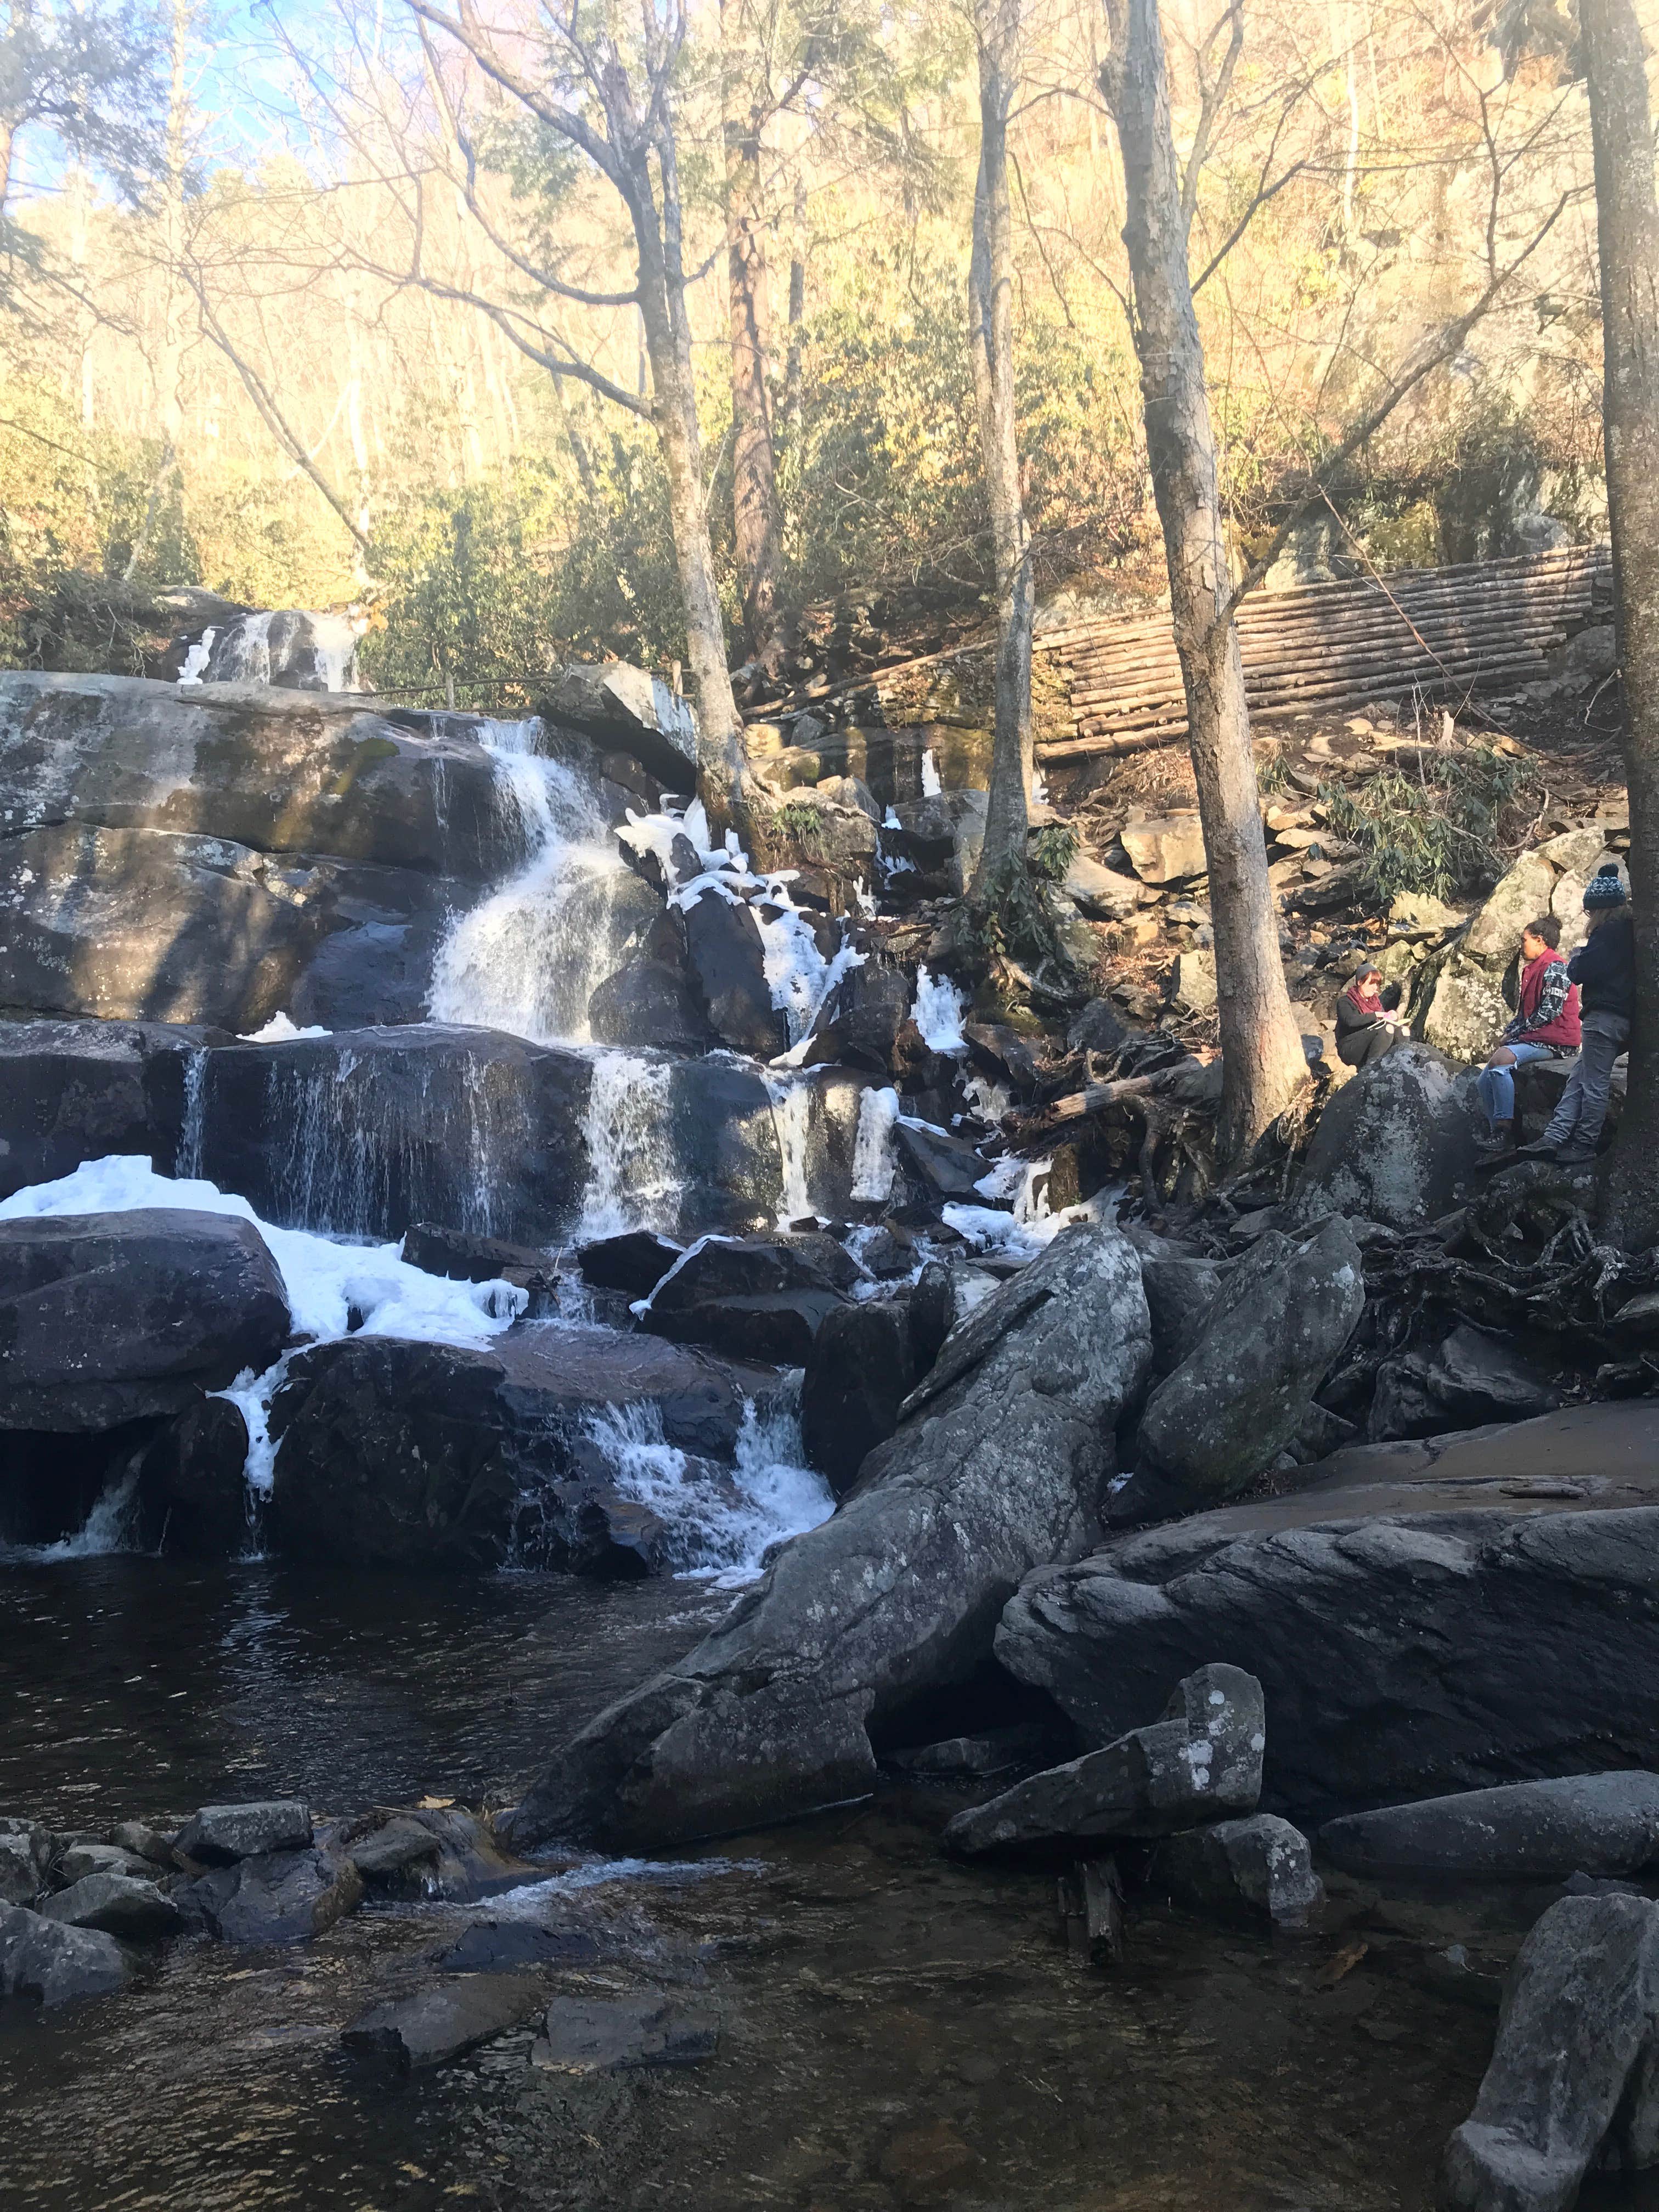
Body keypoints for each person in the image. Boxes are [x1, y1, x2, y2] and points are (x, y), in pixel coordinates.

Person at [1519, 862, 1635, 1167]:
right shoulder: (1632, 933)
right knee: (1578, 1077)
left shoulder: (1607, 933)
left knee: (1594, 1085)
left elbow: (1580, 971)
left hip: (1604, 1018)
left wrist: (1577, 956)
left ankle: (1584, 1144)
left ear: (1598, 910)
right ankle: (1554, 1137)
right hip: (1627, 1018)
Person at [1473, 914, 1580, 1157]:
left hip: (1558, 1042)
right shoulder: (1534, 969)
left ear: (1540, 941)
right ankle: (1496, 1137)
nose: (1522, 946)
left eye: (1524, 941)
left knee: (1502, 1061)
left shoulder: (1555, 967)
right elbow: (1526, 1014)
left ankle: (1503, 1130)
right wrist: (1509, 1032)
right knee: (1484, 1079)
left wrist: (1515, 1036)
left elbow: (1549, 1012)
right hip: (1540, 1037)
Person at [1336, 964, 1403, 1067]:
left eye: (1377, 984)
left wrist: (1392, 1016)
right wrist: (1376, 1015)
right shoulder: (1345, 1001)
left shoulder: (1376, 1002)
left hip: (1372, 1042)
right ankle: (1371, 1069)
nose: (1375, 988)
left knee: (1402, 1031)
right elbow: (1351, 1021)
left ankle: (1401, 1065)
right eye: (1371, 983)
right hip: (1350, 1047)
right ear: (1360, 982)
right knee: (1386, 1029)